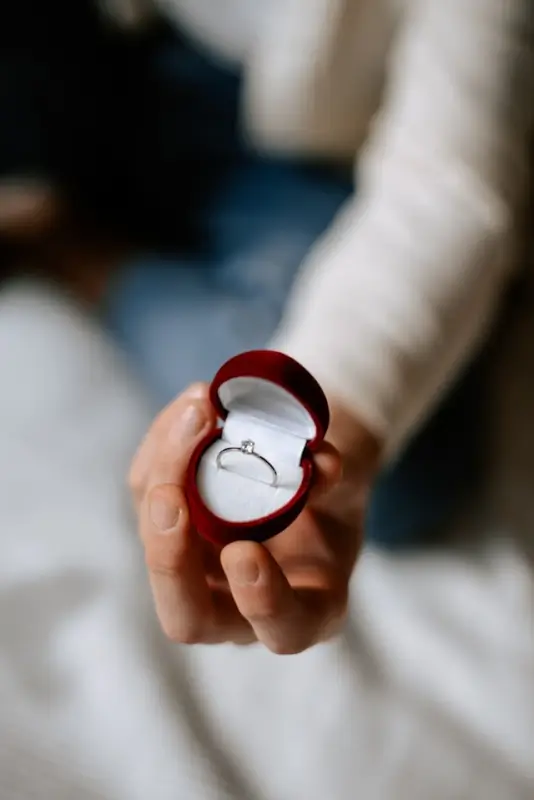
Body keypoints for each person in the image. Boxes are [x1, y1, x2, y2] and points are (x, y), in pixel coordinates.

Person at [1, 0, 532, 565]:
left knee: (394, 479)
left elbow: (449, 188)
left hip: (302, 134)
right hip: (85, 68)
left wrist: (326, 427)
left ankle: (74, 252)